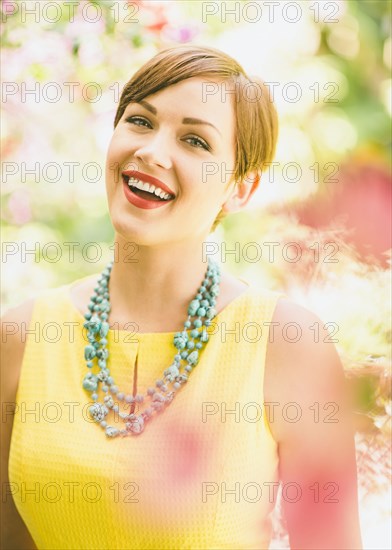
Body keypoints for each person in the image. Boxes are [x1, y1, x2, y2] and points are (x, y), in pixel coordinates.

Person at [1, 44, 363, 550]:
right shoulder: (21, 336)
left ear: (241, 188)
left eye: (195, 140)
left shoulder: (287, 344)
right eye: (140, 122)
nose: (152, 151)